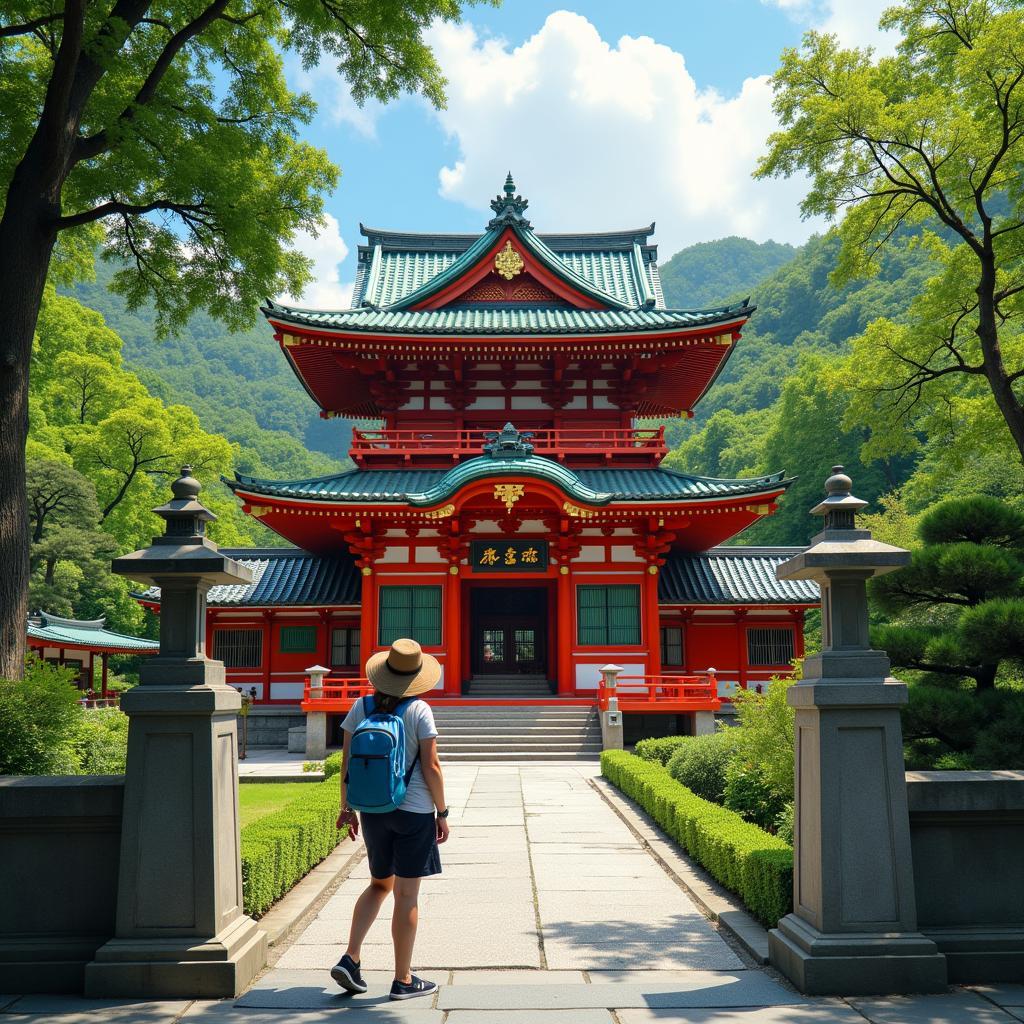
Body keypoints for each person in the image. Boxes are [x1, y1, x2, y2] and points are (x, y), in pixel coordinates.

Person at [332, 638, 450, 1001]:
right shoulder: (419, 710)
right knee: (407, 895)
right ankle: (403, 979)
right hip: (413, 812)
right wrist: (442, 813)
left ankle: (351, 958)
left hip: (373, 810)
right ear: (416, 676)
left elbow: (347, 763)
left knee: (379, 885)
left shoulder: (361, 705)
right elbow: (431, 766)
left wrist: (346, 807)